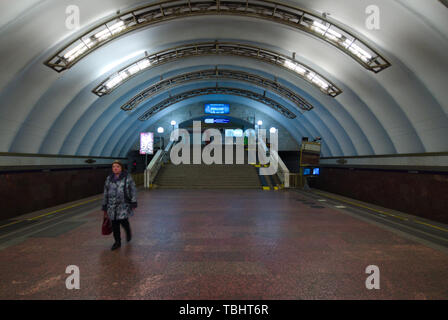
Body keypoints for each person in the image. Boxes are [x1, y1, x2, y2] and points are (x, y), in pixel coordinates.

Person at [102, 160, 138, 251]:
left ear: (121, 168)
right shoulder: (109, 179)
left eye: (117, 166)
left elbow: (133, 190)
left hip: (123, 205)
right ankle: (117, 242)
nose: (115, 168)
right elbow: (105, 192)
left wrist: (134, 202)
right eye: (113, 167)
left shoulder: (127, 177)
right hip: (111, 206)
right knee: (114, 225)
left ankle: (128, 231)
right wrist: (104, 205)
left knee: (123, 221)